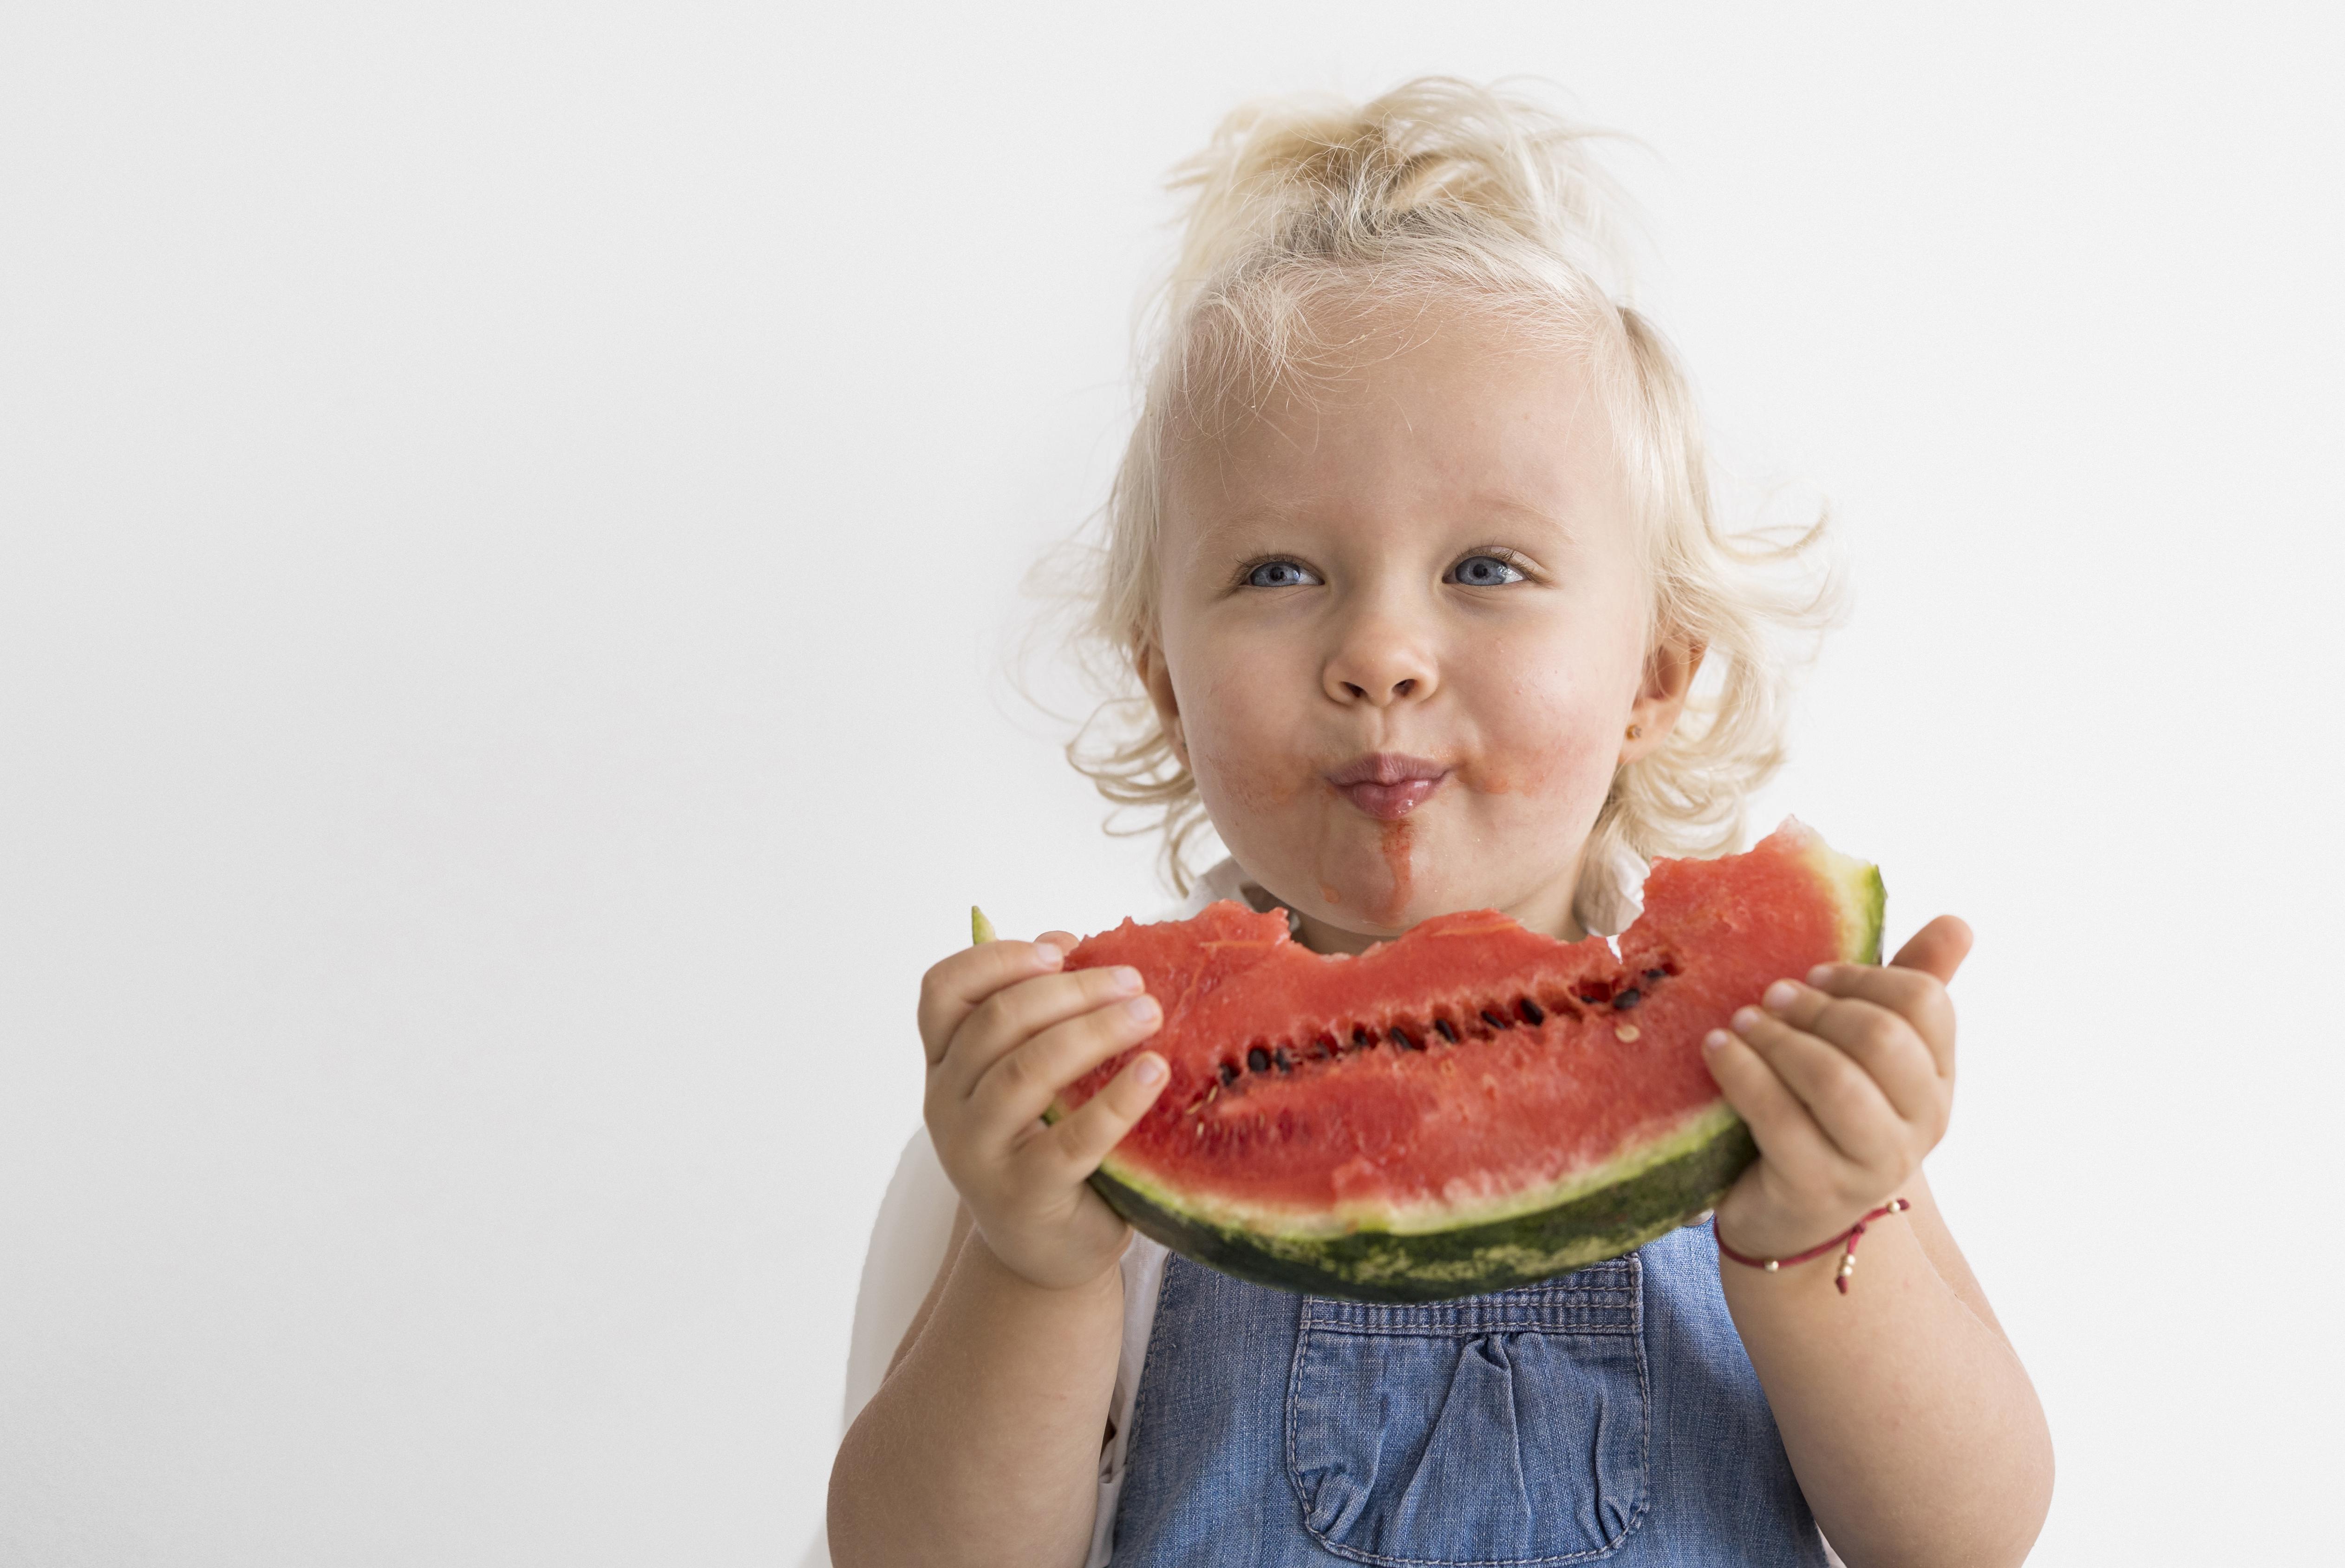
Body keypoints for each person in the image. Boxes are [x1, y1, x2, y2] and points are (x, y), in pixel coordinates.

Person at [827, 77, 2054, 1568]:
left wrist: (1814, 1235)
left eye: (1486, 567)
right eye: (1279, 574)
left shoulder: (1770, 1066)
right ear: (1164, 683)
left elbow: (1966, 1540)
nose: (1383, 652)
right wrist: (1033, 1271)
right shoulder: (1077, 1097)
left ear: (1656, 673)